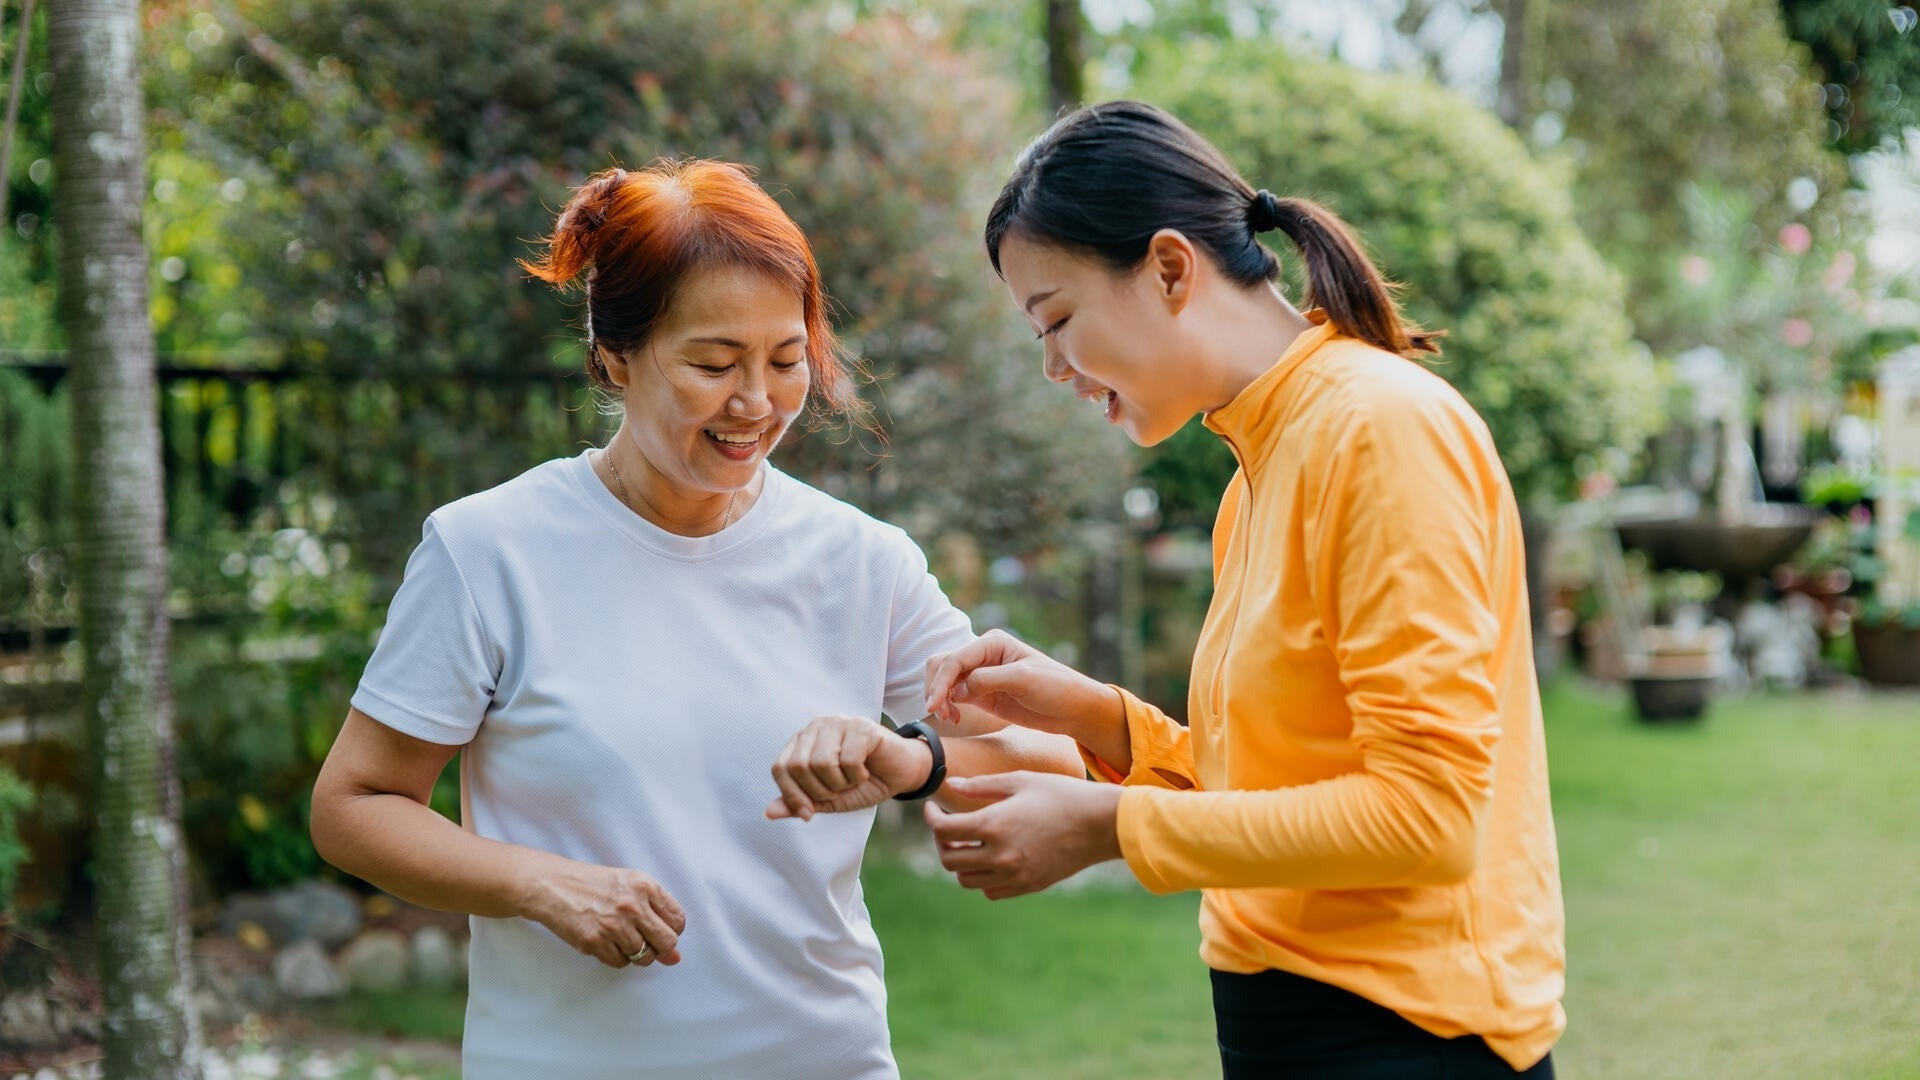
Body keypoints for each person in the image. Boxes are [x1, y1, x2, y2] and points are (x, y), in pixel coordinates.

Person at [308, 159, 1079, 1080]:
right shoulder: (489, 552)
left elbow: (1053, 755)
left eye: (786, 360)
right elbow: (354, 806)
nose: (755, 403)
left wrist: (911, 759)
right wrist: (535, 882)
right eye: (714, 363)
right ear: (615, 355)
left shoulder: (860, 561)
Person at [915, 101, 1565, 1077]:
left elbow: (1428, 818)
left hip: (1413, 1038)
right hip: (1298, 1029)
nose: (1052, 367)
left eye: (1055, 320)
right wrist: (1099, 720)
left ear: (1171, 268)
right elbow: (1275, 793)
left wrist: (1110, 828)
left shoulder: (1379, 430)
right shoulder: (1261, 466)